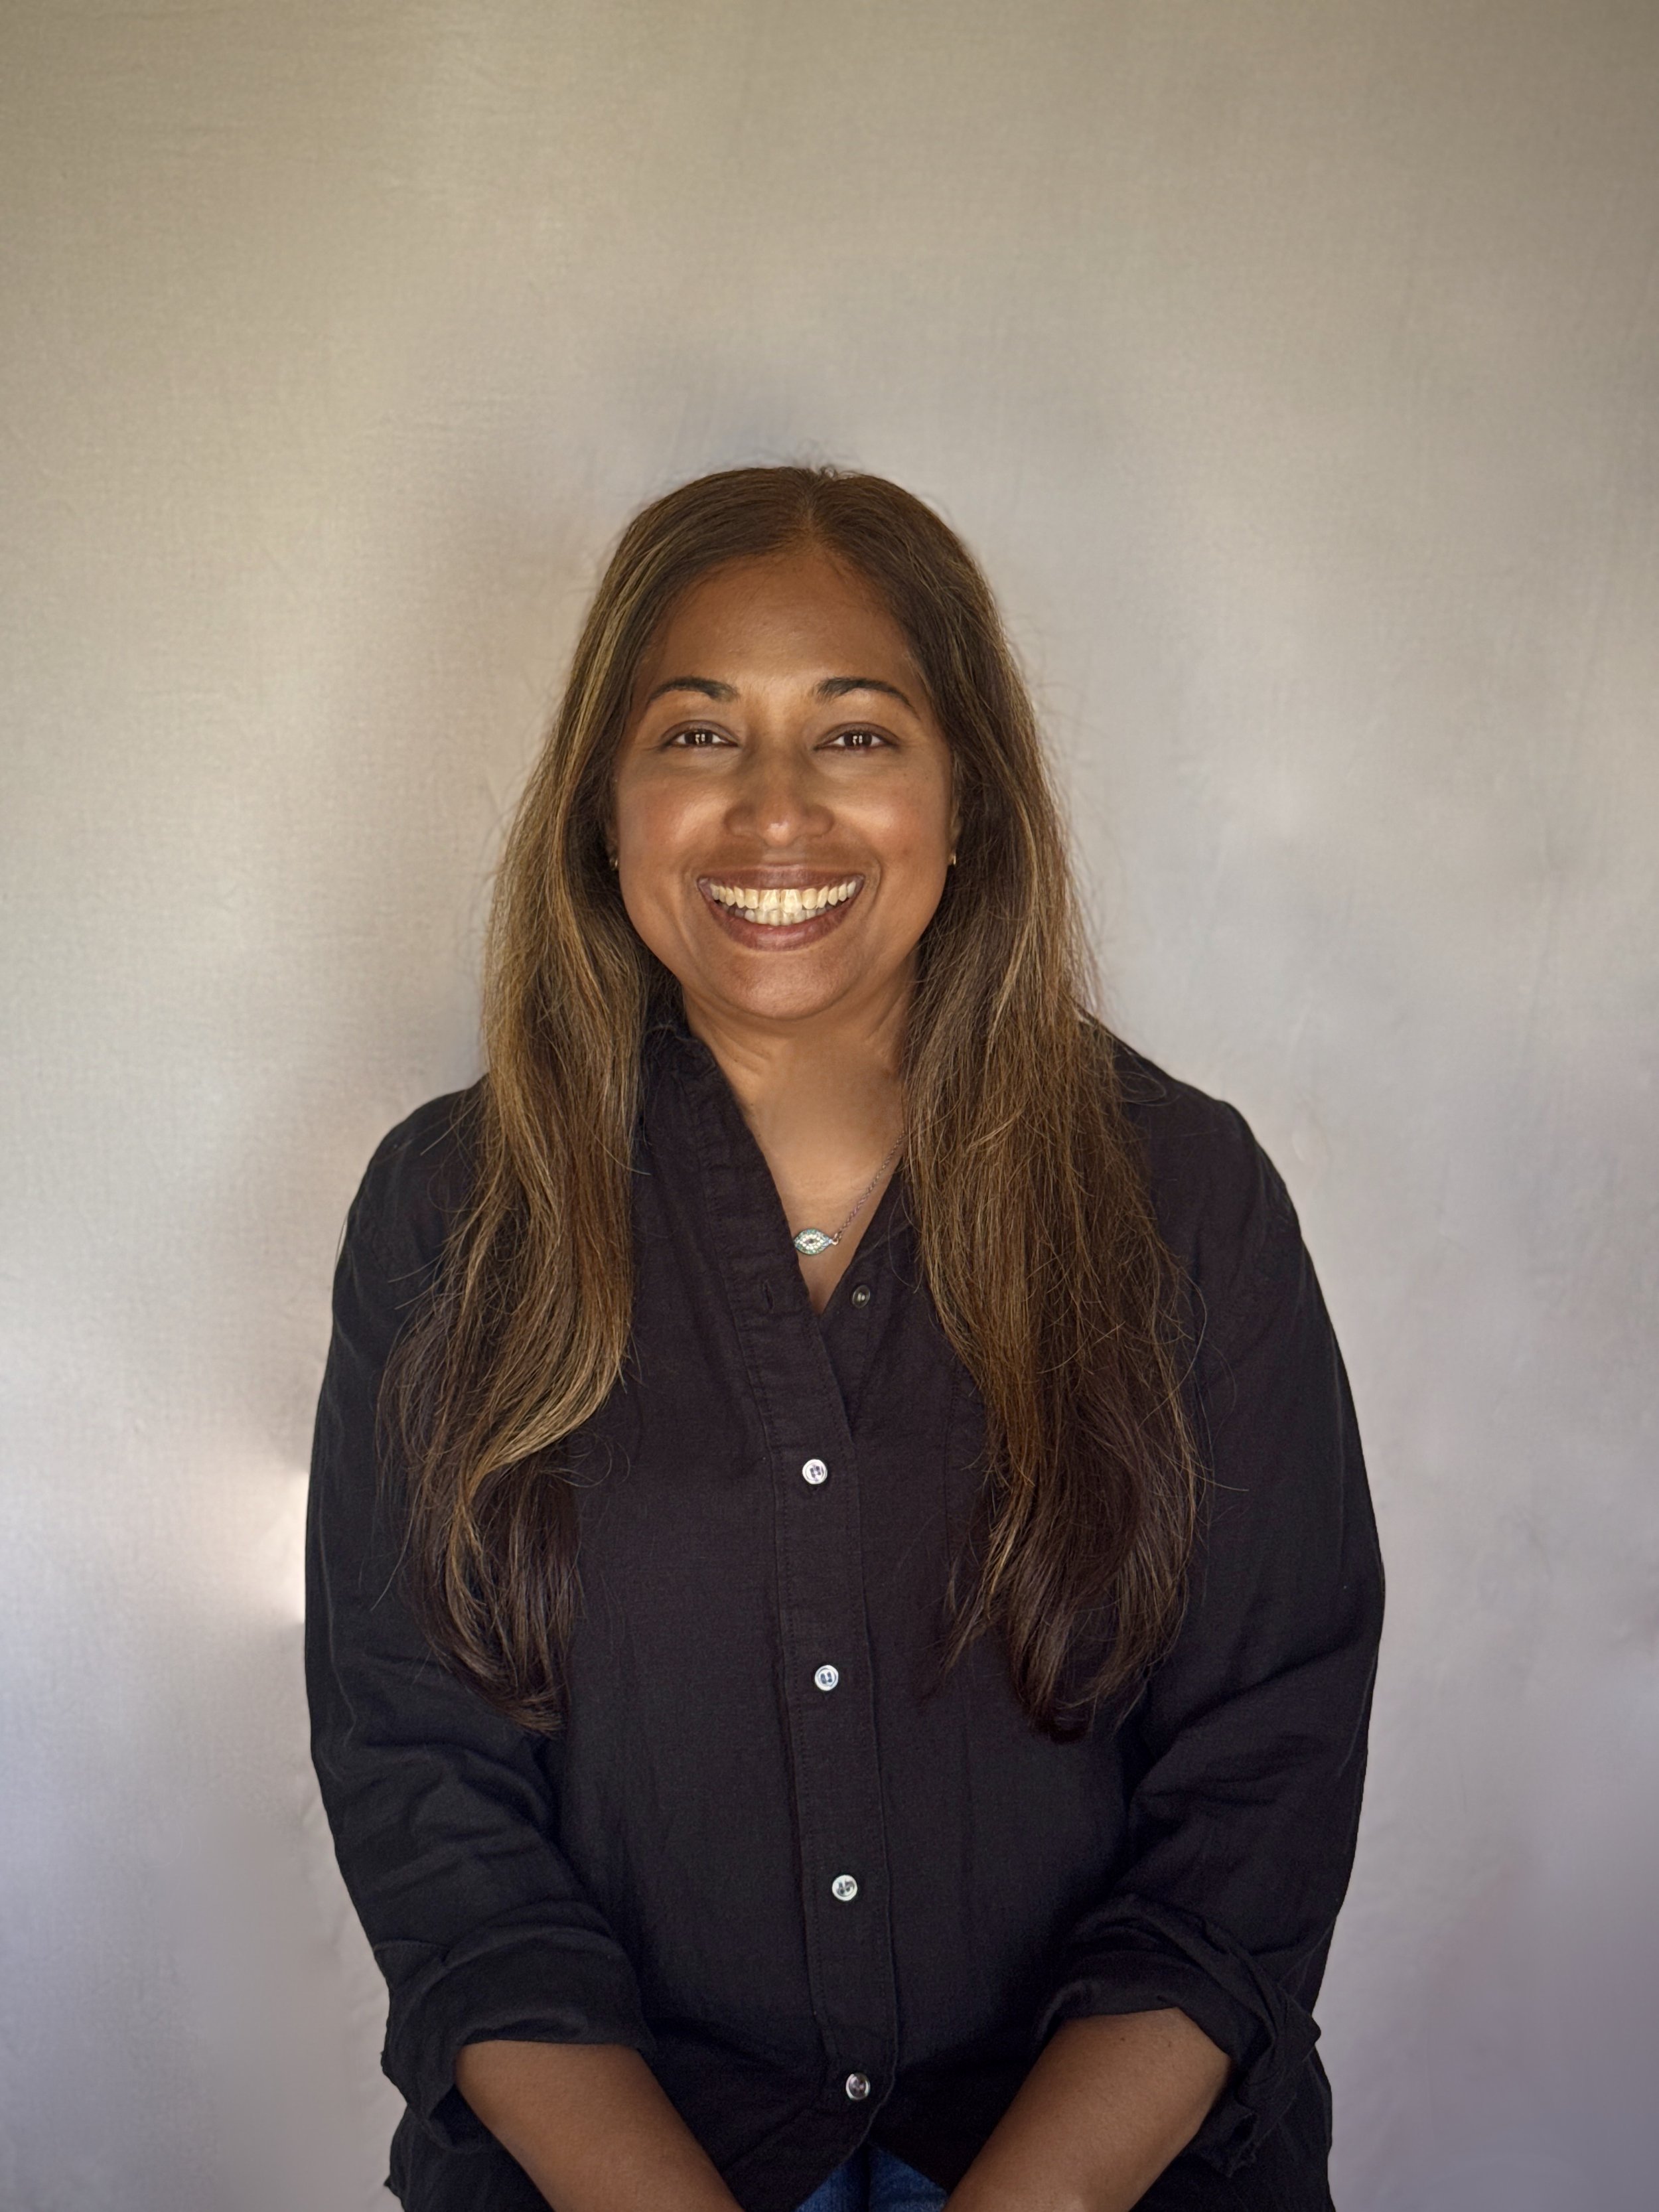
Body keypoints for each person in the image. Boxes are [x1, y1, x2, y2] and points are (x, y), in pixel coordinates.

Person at [306, 464, 1384, 2212]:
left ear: (967, 800)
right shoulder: (451, 1213)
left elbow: (1255, 1804)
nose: (775, 811)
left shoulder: (1183, 1197)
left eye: (858, 734)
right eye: (700, 735)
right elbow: (434, 1819)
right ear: (605, 801)